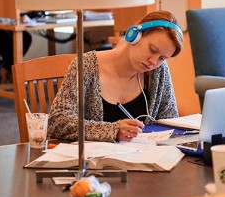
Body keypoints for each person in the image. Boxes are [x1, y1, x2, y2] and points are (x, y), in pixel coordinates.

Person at [48, 10, 184, 143]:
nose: (154, 62)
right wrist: (112, 130)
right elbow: (57, 121)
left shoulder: (158, 71)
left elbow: (171, 122)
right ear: (134, 35)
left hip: (142, 160)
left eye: (162, 58)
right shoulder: (85, 66)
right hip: (95, 162)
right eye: (152, 50)